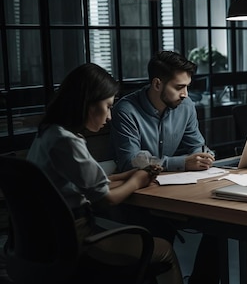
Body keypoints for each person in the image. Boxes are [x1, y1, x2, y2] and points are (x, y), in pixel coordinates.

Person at [26, 63, 183, 284]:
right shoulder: (68, 142)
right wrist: (137, 181)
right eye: (108, 106)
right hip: (78, 240)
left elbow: (92, 181)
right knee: (164, 248)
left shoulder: (49, 134)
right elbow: (106, 198)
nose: (109, 116)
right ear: (88, 104)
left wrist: (129, 175)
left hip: (47, 238)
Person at [110, 51, 220, 284]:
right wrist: (181, 162)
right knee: (160, 232)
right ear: (157, 84)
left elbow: (195, 143)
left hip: (175, 189)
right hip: (139, 199)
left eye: (188, 86)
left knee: (221, 226)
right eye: (179, 87)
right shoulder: (126, 110)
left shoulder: (186, 106)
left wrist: (205, 155)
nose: (186, 94)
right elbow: (130, 161)